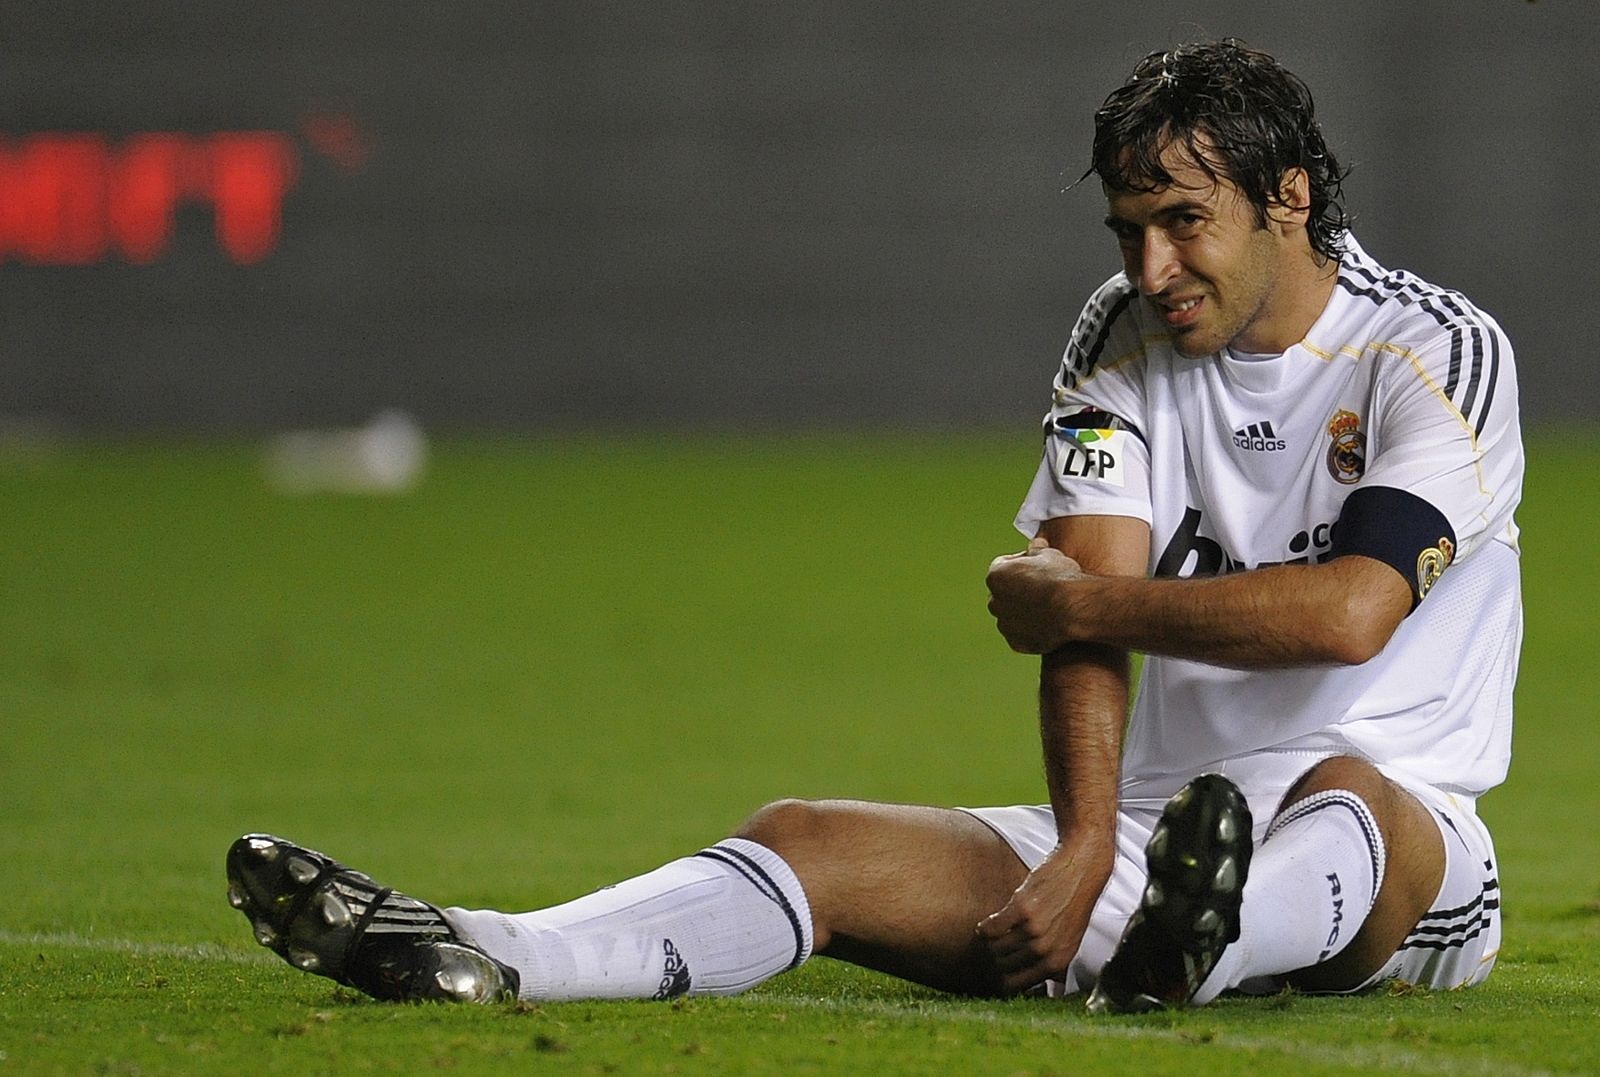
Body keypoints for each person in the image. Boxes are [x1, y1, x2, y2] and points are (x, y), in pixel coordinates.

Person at [226, 39, 1520, 1012]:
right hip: (1151, 829)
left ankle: (1202, 938)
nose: (1151, 269)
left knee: (1350, 795)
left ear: (1287, 196)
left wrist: (1091, 609)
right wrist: (1079, 844)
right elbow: (1091, 597)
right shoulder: (1117, 337)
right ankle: (495, 953)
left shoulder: (1431, 353)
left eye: (1186, 224)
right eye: (1131, 232)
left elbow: (1350, 613)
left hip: (1406, 851)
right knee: (807, 837)